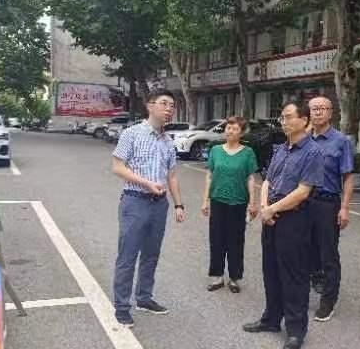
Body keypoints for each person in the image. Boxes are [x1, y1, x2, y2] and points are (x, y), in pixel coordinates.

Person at [242, 100, 323, 349]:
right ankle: (271, 319)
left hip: (294, 219)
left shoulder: (313, 152)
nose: (284, 121)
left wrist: (272, 209)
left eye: (288, 116)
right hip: (271, 217)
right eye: (282, 117)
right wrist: (265, 206)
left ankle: (296, 329)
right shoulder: (281, 149)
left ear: (304, 120)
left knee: (294, 275)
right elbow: (267, 180)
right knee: (271, 270)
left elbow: (303, 191)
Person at [111, 90, 186, 327]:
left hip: (159, 205)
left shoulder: (168, 141)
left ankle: (144, 298)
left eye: (172, 105)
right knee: (128, 255)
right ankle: (122, 307)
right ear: (150, 106)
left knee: (151, 255)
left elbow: (172, 176)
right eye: (164, 104)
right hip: (135, 201)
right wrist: (145, 183)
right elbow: (117, 167)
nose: (169, 109)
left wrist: (179, 204)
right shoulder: (131, 134)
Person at [308, 95, 355, 322]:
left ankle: (328, 301)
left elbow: (348, 177)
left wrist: (344, 207)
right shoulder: (304, 139)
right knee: (304, 249)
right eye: (314, 109)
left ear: (330, 112)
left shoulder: (341, 141)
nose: (317, 112)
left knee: (328, 254)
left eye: (322, 108)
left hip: (327, 203)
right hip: (303, 202)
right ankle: (310, 283)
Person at [201, 117, 259, 293]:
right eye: (228, 128)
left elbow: (251, 178)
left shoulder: (248, 153)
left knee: (236, 241)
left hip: (238, 202)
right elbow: (209, 175)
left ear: (241, 133)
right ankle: (217, 276)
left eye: (234, 129)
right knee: (216, 239)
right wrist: (205, 200)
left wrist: (252, 202)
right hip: (218, 200)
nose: (230, 131)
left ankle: (234, 278)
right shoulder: (216, 150)